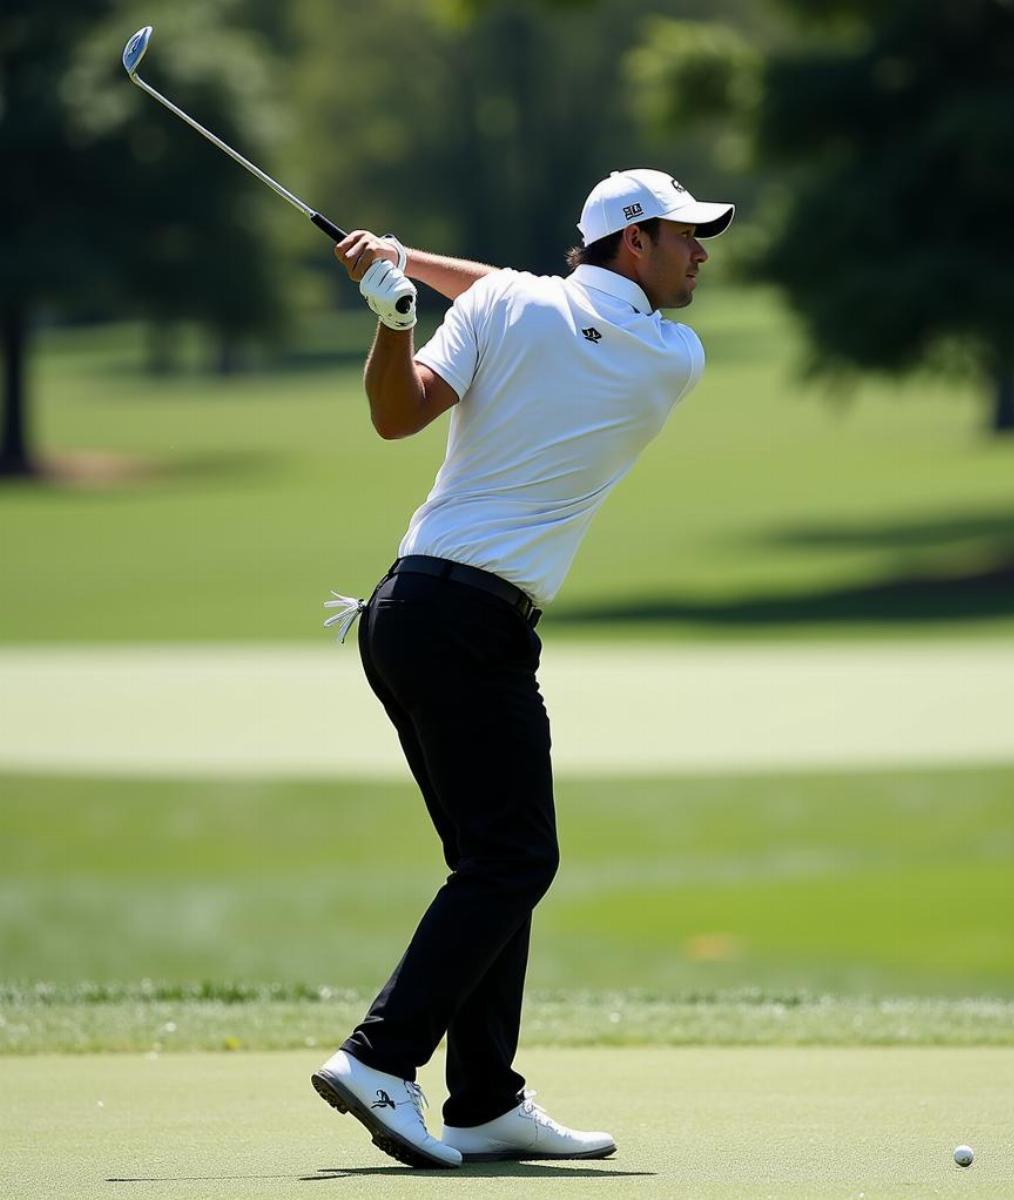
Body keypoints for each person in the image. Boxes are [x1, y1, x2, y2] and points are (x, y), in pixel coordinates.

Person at [311, 169, 734, 1169]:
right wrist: (405, 294)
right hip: (470, 623)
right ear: (634, 244)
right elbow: (507, 301)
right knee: (514, 862)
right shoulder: (670, 352)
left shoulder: (517, 306)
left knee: (496, 863)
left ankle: (485, 1099)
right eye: (686, 236)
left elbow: (397, 412)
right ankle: (380, 1059)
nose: (702, 254)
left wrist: (393, 312)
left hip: (405, 612)